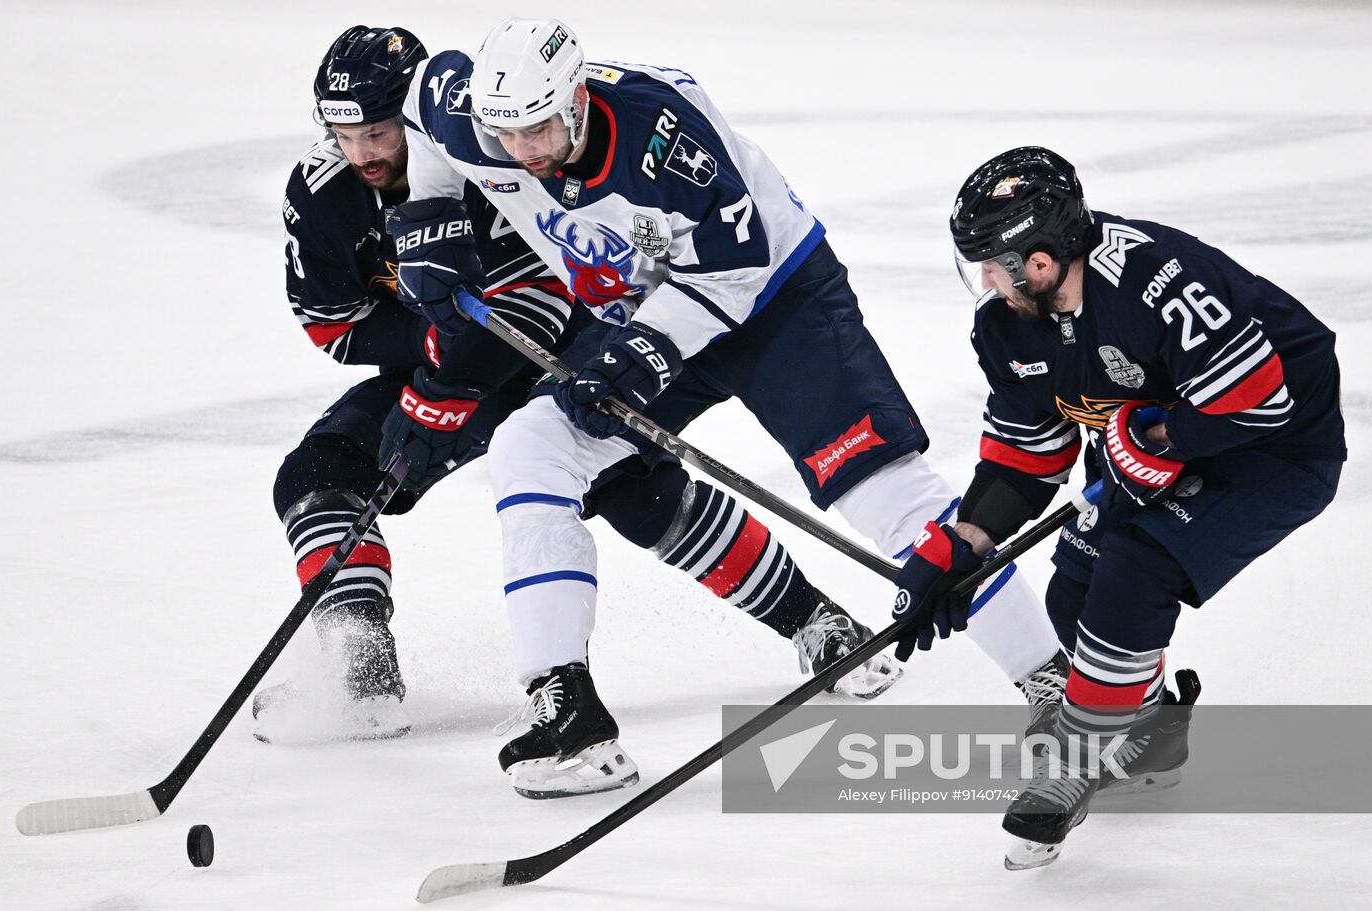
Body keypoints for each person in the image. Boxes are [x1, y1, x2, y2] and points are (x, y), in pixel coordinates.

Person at [395, 17, 1068, 796]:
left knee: (885, 494)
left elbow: (734, 271)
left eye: (541, 129)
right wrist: (427, 218)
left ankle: (1062, 689)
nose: (524, 152)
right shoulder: (474, 113)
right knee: (529, 449)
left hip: (777, 302)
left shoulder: (666, 135)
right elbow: (419, 110)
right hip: (642, 313)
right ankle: (567, 712)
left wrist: (638, 352)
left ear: (577, 98)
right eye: (506, 134)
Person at [262, 26, 901, 770]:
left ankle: (816, 620)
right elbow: (331, 323)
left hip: (550, 351)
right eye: (345, 134)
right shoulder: (321, 195)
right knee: (318, 476)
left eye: (378, 130)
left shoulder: (491, 154)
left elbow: (542, 296)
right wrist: (429, 354)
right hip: (442, 359)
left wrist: (446, 388)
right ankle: (362, 669)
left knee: (636, 493)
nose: (365, 152)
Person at [898, 146, 1344, 868]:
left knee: (1136, 568)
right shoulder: (1008, 328)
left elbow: (1261, 393)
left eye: (993, 264)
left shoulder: (1154, 278)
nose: (985, 282)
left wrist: (1162, 436)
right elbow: (1024, 452)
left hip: (1277, 447)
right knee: (1076, 590)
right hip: (1159, 447)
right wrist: (964, 542)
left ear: (1040, 261)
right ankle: (1154, 734)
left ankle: (1080, 754)